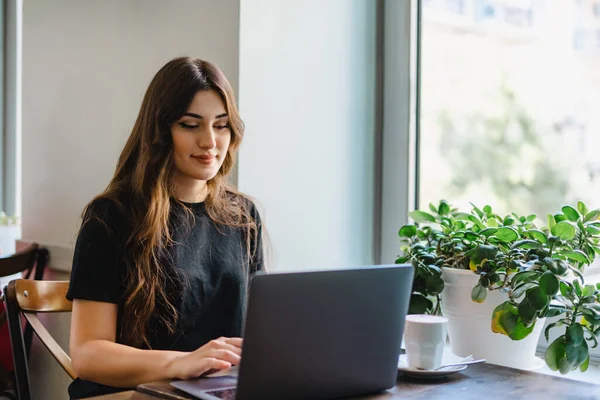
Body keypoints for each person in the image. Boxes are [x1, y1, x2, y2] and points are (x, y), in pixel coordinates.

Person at [66, 57, 264, 399]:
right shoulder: (111, 216)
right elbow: (87, 354)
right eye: (190, 125)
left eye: (221, 125)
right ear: (160, 131)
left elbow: (258, 332)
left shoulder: (243, 215)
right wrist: (182, 363)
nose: (210, 142)